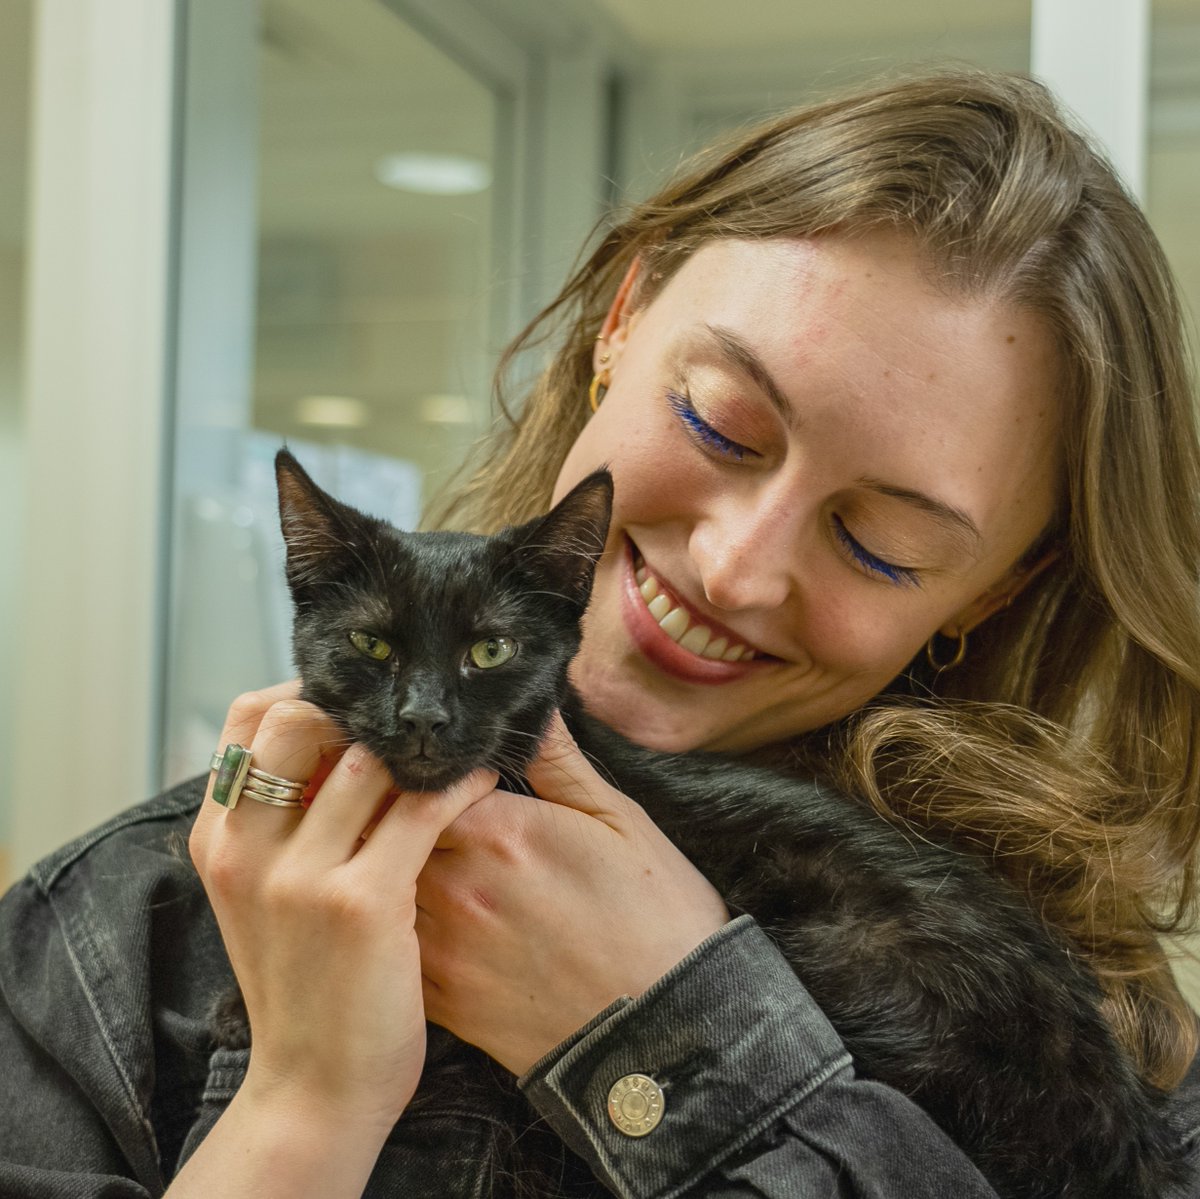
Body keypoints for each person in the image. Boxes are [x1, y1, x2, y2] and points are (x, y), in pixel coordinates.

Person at [1, 68, 1198, 1198]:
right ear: (620, 319)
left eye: (880, 539)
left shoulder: (1103, 1030)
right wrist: (304, 1100)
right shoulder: (114, 928)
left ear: (988, 589)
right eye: (721, 424)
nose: (733, 566)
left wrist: (684, 1037)